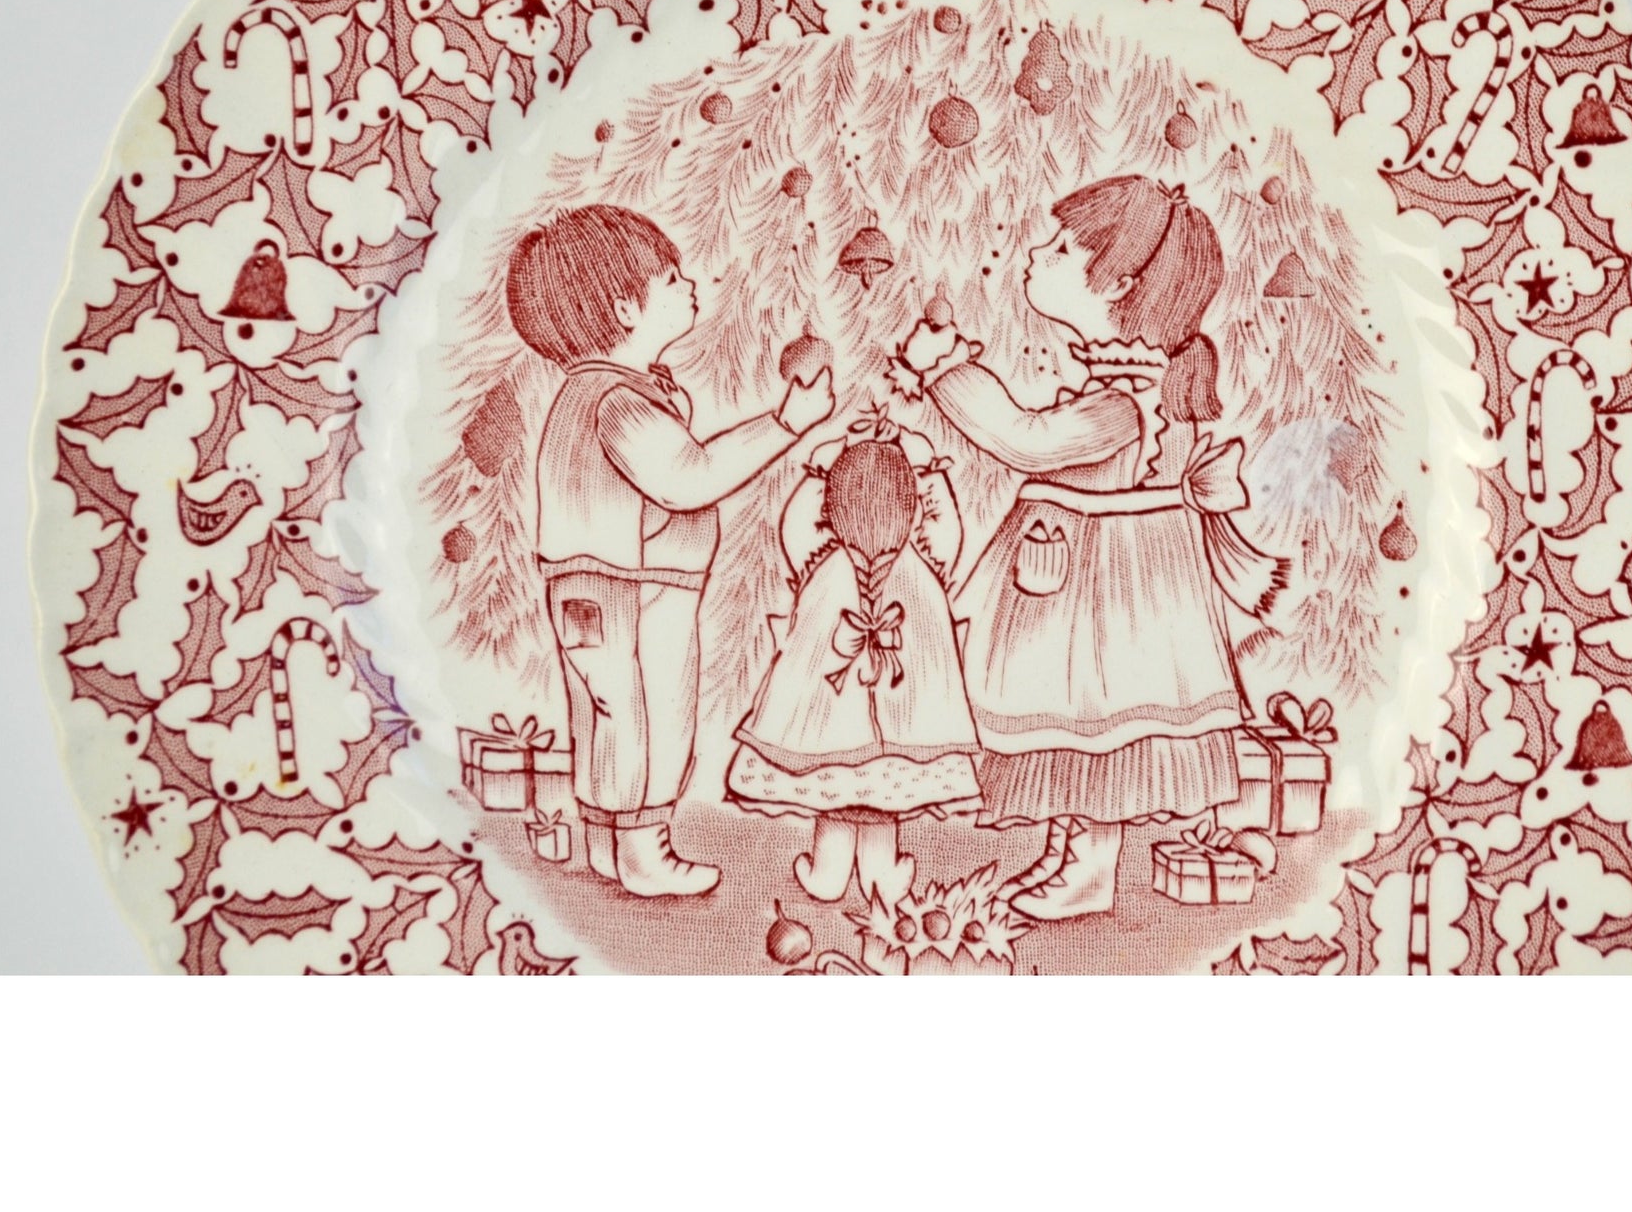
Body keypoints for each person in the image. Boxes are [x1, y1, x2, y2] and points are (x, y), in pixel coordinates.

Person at [887, 175, 1285, 920]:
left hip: (1106, 595)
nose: (1037, 254)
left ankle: (1090, 868)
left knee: (1095, 725)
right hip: (1081, 581)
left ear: (1121, 283)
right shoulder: (1123, 382)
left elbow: (1028, 441)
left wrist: (943, 371)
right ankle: (1070, 852)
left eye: (1062, 249)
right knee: (1070, 727)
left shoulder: (1126, 400)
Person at [510, 205, 835, 897]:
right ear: (627, 310)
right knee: (652, 711)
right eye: (671, 278)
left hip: (594, 586)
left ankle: (608, 845)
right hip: (638, 587)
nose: (690, 286)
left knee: (606, 709)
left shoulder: (591, 394)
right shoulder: (617, 401)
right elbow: (688, 478)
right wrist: (787, 424)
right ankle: (645, 851)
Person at [726, 421, 981, 906]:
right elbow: (947, 526)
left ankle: (829, 873)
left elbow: (794, 528)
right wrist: (926, 464)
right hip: (905, 727)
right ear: (913, 510)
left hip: (827, 727)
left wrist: (821, 463)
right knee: (883, 797)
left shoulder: (822, 565)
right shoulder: (924, 566)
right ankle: (880, 876)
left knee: (838, 796)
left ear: (832, 512)